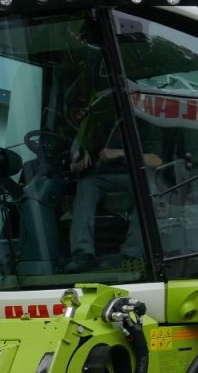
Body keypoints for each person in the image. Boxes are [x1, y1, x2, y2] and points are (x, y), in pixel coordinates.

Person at [63, 89, 162, 270]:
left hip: (133, 178)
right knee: (86, 185)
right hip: (103, 178)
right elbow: (84, 155)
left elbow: (156, 160)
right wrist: (79, 161)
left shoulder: (146, 124)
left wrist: (119, 153)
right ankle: (82, 253)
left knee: (149, 186)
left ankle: (131, 256)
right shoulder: (104, 126)